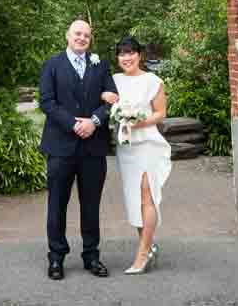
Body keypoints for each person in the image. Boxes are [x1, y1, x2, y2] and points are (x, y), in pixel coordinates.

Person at [39, 19, 118, 280]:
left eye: (86, 35)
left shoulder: (101, 65)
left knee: (91, 205)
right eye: (77, 33)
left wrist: (94, 121)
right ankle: (56, 257)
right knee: (57, 204)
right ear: (68, 36)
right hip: (61, 147)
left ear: (90, 39)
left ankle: (91, 256)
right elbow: (47, 102)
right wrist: (74, 124)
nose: (82, 38)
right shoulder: (52, 65)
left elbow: (112, 100)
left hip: (93, 148)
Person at [108, 36, 171, 275]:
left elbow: (161, 113)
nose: (127, 58)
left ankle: (142, 254)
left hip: (147, 144)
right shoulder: (113, 81)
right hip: (126, 148)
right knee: (133, 198)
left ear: (139, 55)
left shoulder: (153, 80)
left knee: (147, 195)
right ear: (118, 58)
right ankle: (149, 245)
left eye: (131, 53)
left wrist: (138, 121)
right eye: (122, 54)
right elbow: (107, 105)